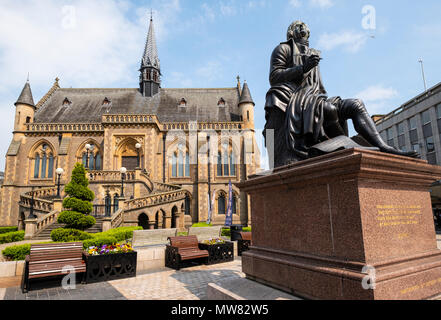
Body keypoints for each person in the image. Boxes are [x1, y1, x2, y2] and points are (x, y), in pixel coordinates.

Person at [264, 20, 417, 168]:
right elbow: (274, 76)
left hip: (315, 98)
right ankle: (344, 145)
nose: (304, 33)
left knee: (355, 104)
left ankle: (384, 147)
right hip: (297, 100)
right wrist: (303, 68)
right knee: (328, 109)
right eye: (300, 30)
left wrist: (315, 83)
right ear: (292, 33)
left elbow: (317, 86)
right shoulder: (283, 49)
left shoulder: (312, 54)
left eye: (306, 31)